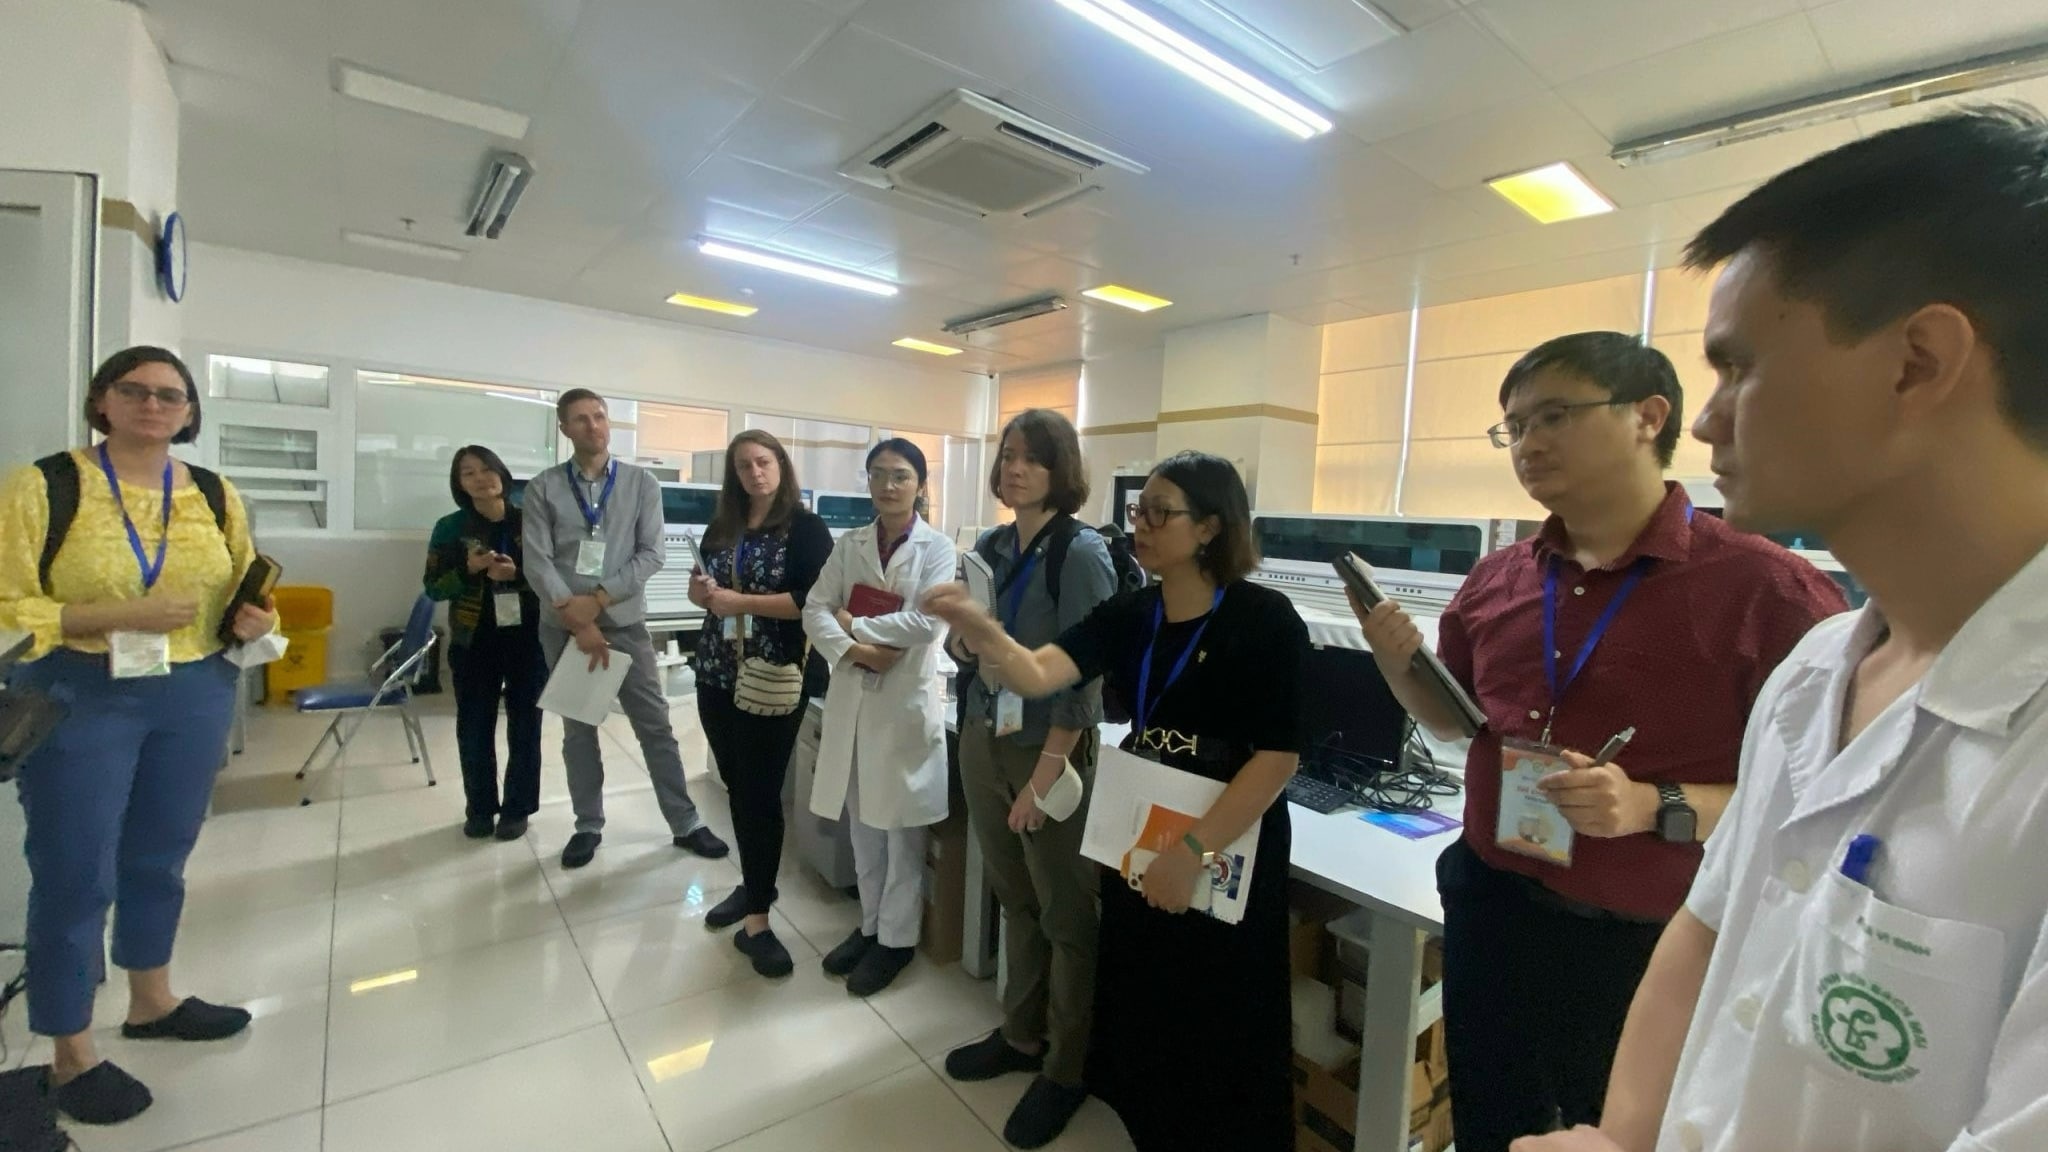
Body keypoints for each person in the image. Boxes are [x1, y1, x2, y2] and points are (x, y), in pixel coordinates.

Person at [1513, 106, 2048, 1152]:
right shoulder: (1817, 671)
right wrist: (1622, 1138)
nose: (1704, 420)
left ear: (1914, 363)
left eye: (1736, 368)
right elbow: (1708, 931)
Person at [1349, 333, 1844, 1152]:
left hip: (1644, 939)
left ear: (1649, 417)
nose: (1529, 442)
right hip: (1492, 898)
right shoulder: (1497, 578)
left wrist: (1657, 804)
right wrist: (1400, 669)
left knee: (1616, 1133)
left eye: (1554, 415)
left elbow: (1820, 797)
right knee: (1490, 1118)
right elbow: (1454, 725)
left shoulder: (1767, 590)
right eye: (1513, 426)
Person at [926, 450, 1309, 1152]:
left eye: (1160, 513)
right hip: (1144, 822)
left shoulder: (1265, 620)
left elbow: (1277, 757)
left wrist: (1194, 851)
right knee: (1149, 999)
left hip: (1224, 837)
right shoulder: (1135, 611)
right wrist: (980, 629)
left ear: (1210, 527)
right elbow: (1040, 671)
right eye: (1138, 510)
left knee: (1219, 1012)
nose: (1140, 524)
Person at [0, 346, 278, 1124]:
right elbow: (7, 602)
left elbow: (245, 582)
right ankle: (69, 1048)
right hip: (79, 688)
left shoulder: (217, 493)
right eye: (135, 391)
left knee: (161, 853)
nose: (153, 405)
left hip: (193, 688)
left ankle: (152, 999)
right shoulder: (46, 485)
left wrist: (258, 618)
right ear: (104, 400)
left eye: (170, 395)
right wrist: (112, 615)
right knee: (75, 867)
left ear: (189, 412)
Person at [941, 409, 1117, 1149]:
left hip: (1050, 748)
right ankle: (1021, 1035)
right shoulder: (989, 547)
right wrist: (959, 637)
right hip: (984, 733)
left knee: (1066, 915)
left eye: (1032, 460)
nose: (1014, 469)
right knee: (1014, 896)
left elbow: (1086, 676)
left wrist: (1047, 774)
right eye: (1007, 456)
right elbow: (976, 646)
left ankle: (1066, 1069)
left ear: (1060, 471)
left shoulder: (1079, 554)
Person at [521, 388, 728, 868]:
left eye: (599, 416)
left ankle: (685, 822)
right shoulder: (544, 488)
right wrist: (575, 616)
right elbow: (537, 559)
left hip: (625, 622)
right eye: (581, 419)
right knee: (580, 729)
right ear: (564, 428)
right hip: (564, 626)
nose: (593, 426)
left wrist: (597, 600)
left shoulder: (641, 484)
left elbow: (651, 553)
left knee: (655, 725)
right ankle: (588, 826)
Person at [803, 439, 956, 996]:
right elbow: (813, 607)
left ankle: (896, 941)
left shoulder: (938, 549)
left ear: (920, 484)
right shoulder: (851, 544)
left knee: (902, 836)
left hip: (902, 709)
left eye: (900, 475)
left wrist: (854, 625)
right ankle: (869, 927)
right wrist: (854, 650)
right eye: (878, 475)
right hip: (854, 696)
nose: (888, 485)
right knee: (864, 829)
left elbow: (925, 625)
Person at [690, 430, 834, 978]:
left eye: (763, 462)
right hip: (716, 673)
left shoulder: (805, 528)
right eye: (744, 465)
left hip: (772, 678)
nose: (755, 472)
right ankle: (754, 883)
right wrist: (702, 595)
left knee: (760, 793)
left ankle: (757, 920)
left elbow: (812, 601)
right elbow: (701, 591)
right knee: (737, 788)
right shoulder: (723, 524)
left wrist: (740, 601)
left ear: (781, 466)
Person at [423, 445, 547, 842]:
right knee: (475, 727)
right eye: (468, 473)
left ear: (502, 473)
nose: (480, 478)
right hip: (473, 639)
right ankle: (479, 808)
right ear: (459, 484)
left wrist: (520, 574)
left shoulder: (532, 522)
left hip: (527, 637)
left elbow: (555, 579)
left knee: (526, 725)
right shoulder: (449, 528)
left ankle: (517, 809)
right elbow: (433, 588)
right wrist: (469, 568)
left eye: (487, 469)